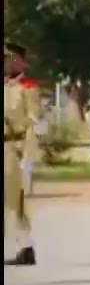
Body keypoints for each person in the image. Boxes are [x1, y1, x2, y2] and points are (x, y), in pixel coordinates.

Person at [3, 42, 40, 267]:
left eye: (9, 58)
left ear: (20, 61)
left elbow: (34, 124)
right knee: (15, 202)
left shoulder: (29, 88)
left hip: (16, 150)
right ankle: (25, 247)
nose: (6, 62)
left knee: (15, 201)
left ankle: (25, 247)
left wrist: (28, 157)